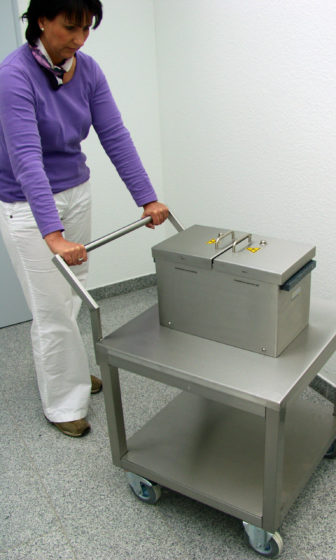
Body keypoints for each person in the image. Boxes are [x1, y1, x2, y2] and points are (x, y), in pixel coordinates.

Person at [0, 0, 169, 437]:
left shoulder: (87, 70)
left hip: (76, 192)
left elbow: (114, 134)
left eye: (87, 29)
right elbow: (26, 159)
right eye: (70, 27)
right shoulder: (14, 75)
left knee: (73, 295)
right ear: (42, 20)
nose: (78, 39)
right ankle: (63, 403)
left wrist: (147, 199)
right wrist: (51, 234)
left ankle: (69, 371)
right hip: (28, 203)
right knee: (51, 308)